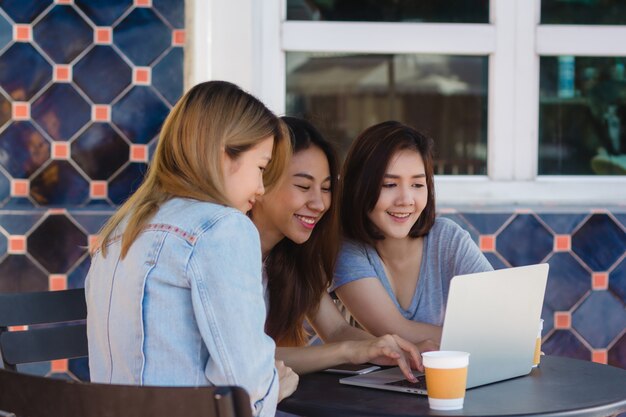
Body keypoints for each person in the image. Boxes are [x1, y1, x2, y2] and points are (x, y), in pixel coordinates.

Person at [85, 81, 298, 417]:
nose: (260, 189)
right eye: (261, 167)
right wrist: (275, 387)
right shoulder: (223, 227)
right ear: (222, 153)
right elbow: (244, 387)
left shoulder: (119, 231)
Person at [250, 117, 431, 382]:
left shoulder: (293, 253)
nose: (319, 203)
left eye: (326, 188)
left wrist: (381, 347)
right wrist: (349, 351)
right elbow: (248, 357)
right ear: (260, 181)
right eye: (303, 186)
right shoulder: (228, 247)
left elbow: (335, 330)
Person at [332, 121, 493, 345]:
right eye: (389, 184)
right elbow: (395, 331)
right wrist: (481, 341)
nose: (406, 200)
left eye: (417, 185)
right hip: (375, 379)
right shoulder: (348, 251)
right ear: (358, 186)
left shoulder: (448, 238)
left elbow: (498, 315)